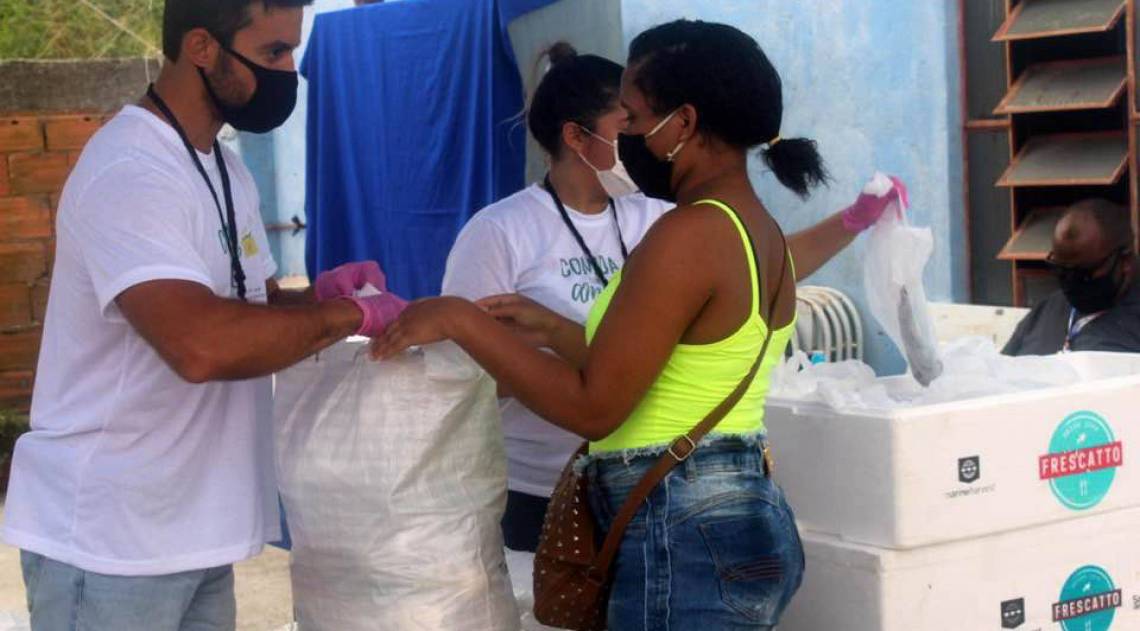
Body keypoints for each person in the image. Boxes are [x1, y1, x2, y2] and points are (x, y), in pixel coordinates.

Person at [377, 19, 900, 628]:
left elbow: (595, 407)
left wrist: (460, 319)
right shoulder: (749, 227)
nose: (626, 133)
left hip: (679, 520)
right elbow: (665, 369)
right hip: (729, 504)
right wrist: (546, 331)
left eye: (632, 114)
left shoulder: (688, 232)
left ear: (682, 123)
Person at [2, 1, 404, 629]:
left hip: (193, 531)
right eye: (273, 54)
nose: (289, 72)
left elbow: (246, 306)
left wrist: (318, 298)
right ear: (201, 47)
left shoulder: (226, 169)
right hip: (112, 546)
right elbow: (201, 344)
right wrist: (347, 316)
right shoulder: (131, 170)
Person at [1004, 198, 1140, 356]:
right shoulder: (1047, 310)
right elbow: (1002, 370)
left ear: (1125, 261)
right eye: (1061, 270)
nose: (1070, 282)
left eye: (1084, 273)